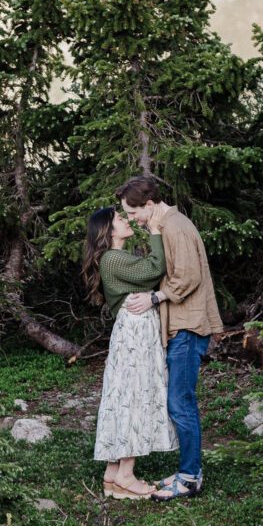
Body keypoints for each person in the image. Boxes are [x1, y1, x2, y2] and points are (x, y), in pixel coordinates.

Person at [118, 175, 223, 500]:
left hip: (189, 327)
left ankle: (191, 477)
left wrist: (154, 298)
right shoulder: (168, 225)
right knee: (179, 401)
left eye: (133, 213)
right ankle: (187, 471)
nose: (132, 220)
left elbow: (188, 276)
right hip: (182, 325)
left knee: (181, 403)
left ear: (148, 205)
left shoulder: (175, 226)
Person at [84, 206, 177, 501]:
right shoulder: (112, 258)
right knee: (135, 395)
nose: (126, 221)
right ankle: (126, 475)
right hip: (135, 331)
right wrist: (156, 232)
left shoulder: (114, 258)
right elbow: (154, 269)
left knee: (125, 395)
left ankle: (113, 474)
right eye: (120, 219)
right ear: (108, 231)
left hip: (133, 329)